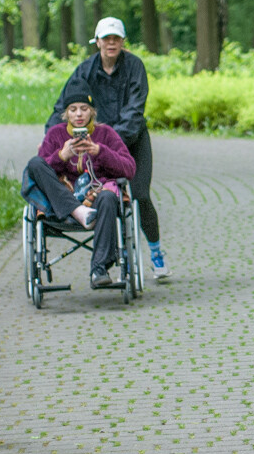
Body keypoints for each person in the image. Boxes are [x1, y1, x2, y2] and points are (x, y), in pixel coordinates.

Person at [48, 17, 171, 280]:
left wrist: (109, 143)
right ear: (98, 43)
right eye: (106, 39)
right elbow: (64, 105)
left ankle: (156, 250)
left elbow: (135, 110)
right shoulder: (85, 70)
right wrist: (51, 137)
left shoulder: (135, 66)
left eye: (116, 38)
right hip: (91, 142)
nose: (111, 43)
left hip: (130, 140)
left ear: (123, 42)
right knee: (101, 191)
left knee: (140, 195)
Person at [26, 90, 137, 288]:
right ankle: (78, 212)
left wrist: (100, 151)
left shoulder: (106, 134)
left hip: (96, 197)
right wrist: (62, 155)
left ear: (92, 112)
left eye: (84, 109)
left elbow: (129, 168)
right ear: (66, 114)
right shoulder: (55, 134)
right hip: (62, 198)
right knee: (34, 164)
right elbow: (39, 171)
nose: (78, 114)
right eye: (73, 110)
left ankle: (99, 269)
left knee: (109, 197)